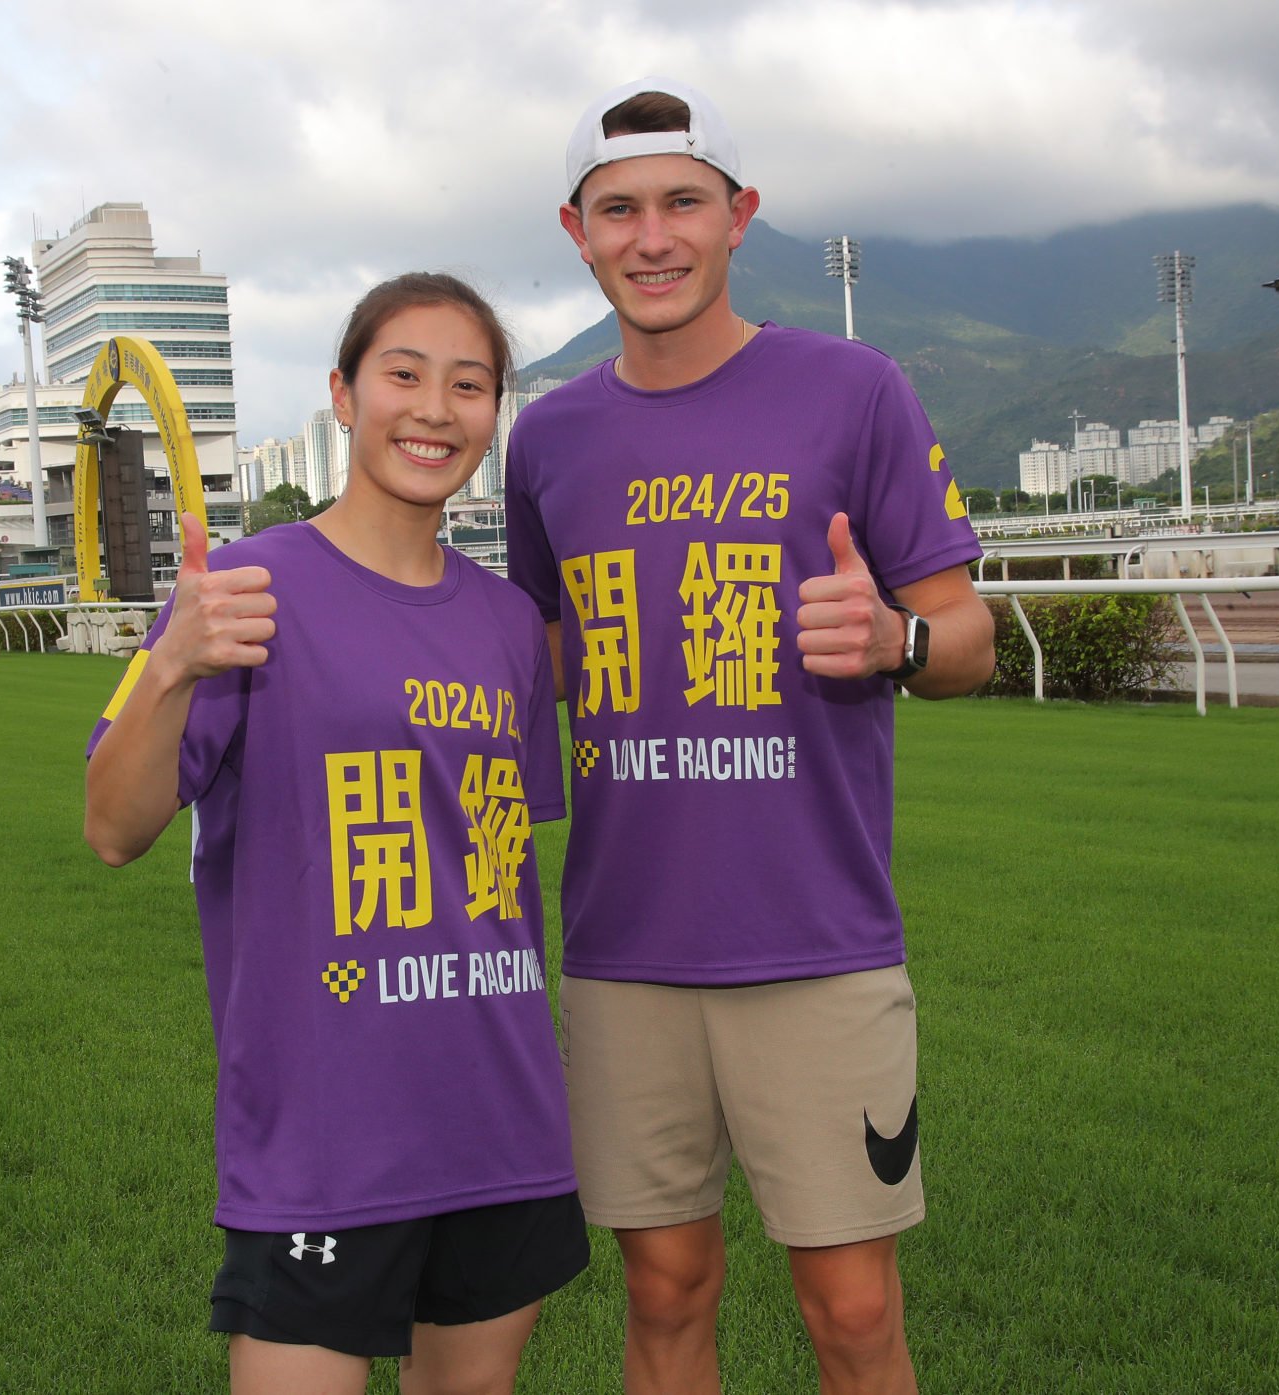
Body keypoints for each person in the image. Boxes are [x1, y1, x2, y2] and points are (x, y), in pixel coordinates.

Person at [504, 79, 996, 1395]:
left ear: (740, 217)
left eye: (682, 202)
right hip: (624, 947)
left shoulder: (853, 389)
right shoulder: (545, 435)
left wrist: (893, 639)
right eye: (620, 210)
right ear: (577, 230)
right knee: (663, 1292)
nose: (651, 235)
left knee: (850, 1309)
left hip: (817, 937)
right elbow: (537, 654)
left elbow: (970, 635)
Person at [85, 273, 587, 1394]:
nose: (433, 409)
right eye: (401, 374)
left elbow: (495, 872)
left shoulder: (510, 625)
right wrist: (172, 662)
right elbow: (113, 827)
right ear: (344, 395)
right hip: (322, 1133)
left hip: (500, 1117)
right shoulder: (248, 590)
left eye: (468, 386)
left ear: (492, 417)